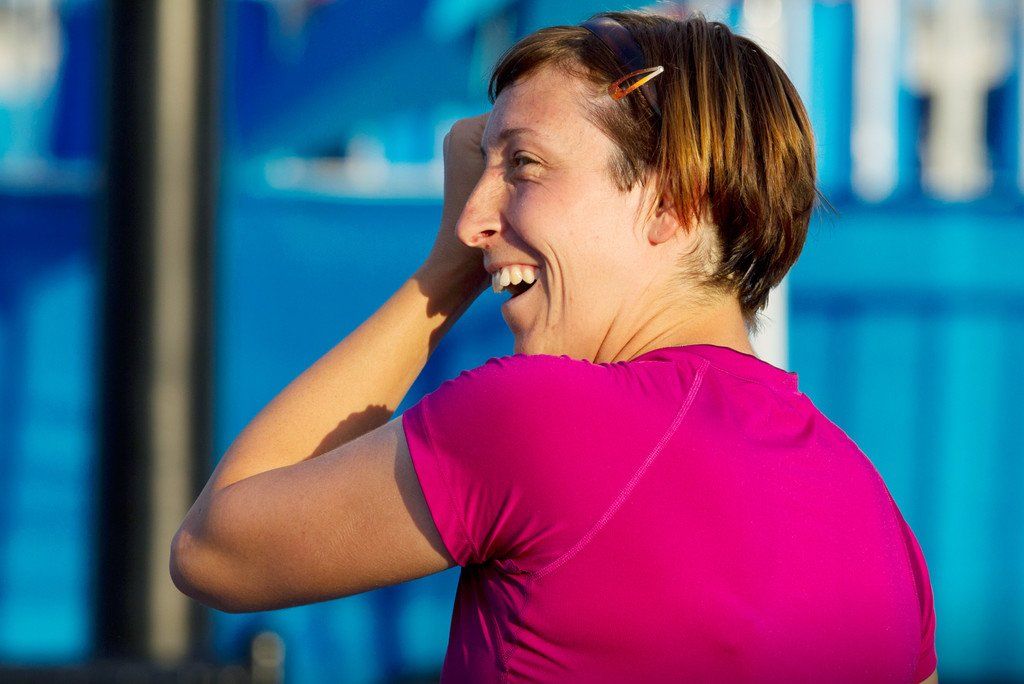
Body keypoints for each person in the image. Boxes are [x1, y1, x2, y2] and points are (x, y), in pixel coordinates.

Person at [170, 10, 938, 683]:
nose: (472, 219)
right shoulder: (878, 521)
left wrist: (443, 276)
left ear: (671, 203)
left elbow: (215, 549)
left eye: (524, 165)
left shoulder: (543, 416)